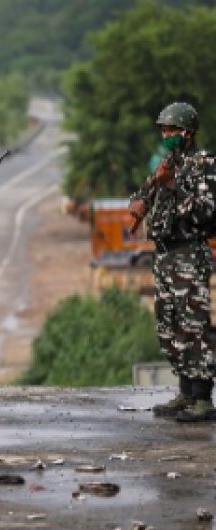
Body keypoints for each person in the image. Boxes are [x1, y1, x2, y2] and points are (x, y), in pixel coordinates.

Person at [129, 102, 216, 422]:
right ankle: (184, 391)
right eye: (163, 130)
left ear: (188, 133)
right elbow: (142, 194)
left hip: (188, 252)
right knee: (170, 326)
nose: (166, 135)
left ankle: (203, 398)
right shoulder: (167, 163)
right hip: (164, 253)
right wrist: (139, 202)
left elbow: (207, 211)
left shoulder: (203, 164)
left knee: (194, 325)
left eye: (171, 130)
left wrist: (172, 185)